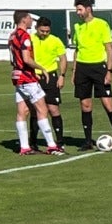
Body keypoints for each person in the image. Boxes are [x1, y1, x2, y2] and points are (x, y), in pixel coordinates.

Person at [69, 0, 112, 151]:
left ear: (88, 9)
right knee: (85, 105)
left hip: (99, 68)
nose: (77, 13)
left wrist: (109, 70)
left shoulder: (102, 24)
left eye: (80, 9)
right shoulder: (77, 27)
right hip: (82, 68)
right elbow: (77, 50)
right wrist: (74, 71)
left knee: (107, 103)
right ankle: (88, 141)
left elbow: (109, 49)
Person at [7, 9, 65, 156]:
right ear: (24, 20)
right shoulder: (25, 36)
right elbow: (26, 59)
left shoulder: (12, 35)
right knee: (42, 110)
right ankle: (52, 145)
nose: (32, 21)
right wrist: (41, 69)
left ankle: (25, 147)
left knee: (22, 112)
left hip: (17, 76)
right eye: (30, 18)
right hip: (27, 77)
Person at [32, 16, 68, 147]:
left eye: (47, 31)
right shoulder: (30, 39)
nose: (45, 33)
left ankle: (59, 141)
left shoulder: (55, 40)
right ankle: (33, 141)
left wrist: (62, 75)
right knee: (35, 110)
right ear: (36, 28)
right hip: (34, 78)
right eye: (42, 31)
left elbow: (63, 58)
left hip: (51, 78)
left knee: (53, 109)